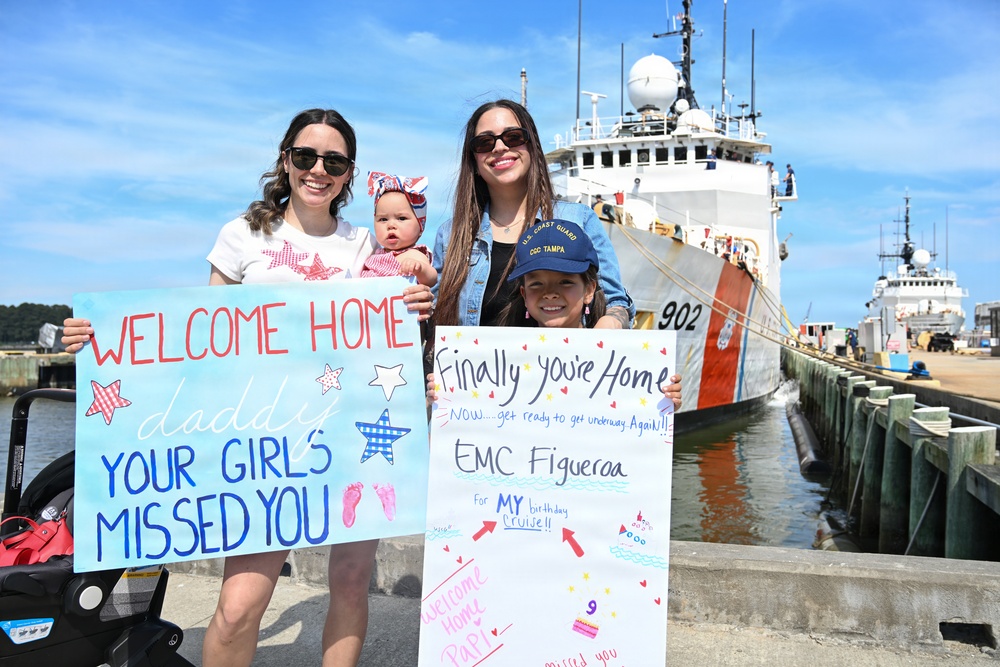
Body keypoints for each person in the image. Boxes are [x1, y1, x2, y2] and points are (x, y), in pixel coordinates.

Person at [61, 109, 433, 667]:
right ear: (286, 160)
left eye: (334, 161)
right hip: (264, 447)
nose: (318, 170)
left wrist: (415, 299)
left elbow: (409, 288)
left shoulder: (363, 244)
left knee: (353, 584)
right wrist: (100, 338)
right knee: (239, 605)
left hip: (350, 436)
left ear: (348, 172)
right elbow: (198, 337)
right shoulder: (243, 234)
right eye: (306, 156)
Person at [428, 218, 682, 406]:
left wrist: (664, 401)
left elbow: (641, 421)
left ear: (589, 290)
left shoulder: (630, 366)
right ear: (524, 295)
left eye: (566, 281)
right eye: (536, 283)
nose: (550, 293)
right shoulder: (493, 366)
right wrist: (446, 395)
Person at [431, 99, 634, 331]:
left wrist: (613, 320)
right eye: (484, 142)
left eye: (513, 137)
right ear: (474, 161)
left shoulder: (579, 220)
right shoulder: (451, 235)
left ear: (533, 147)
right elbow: (436, 318)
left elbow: (615, 302)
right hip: (475, 367)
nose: (499, 148)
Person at [360, 171, 436, 287]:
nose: (391, 225)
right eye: (383, 219)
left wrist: (420, 269)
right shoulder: (374, 255)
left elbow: (432, 278)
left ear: (420, 227)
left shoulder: (414, 255)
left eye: (401, 218)